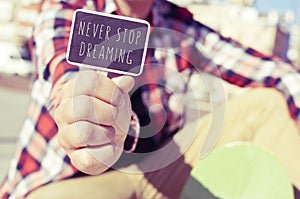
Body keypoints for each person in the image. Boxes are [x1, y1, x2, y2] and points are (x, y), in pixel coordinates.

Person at [0, 0, 300, 198]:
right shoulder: (70, 9)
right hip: (66, 184)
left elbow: (274, 72)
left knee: (269, 105)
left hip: (151, 176)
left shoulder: (177, 25)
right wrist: (84, 109)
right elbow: (66, 71)